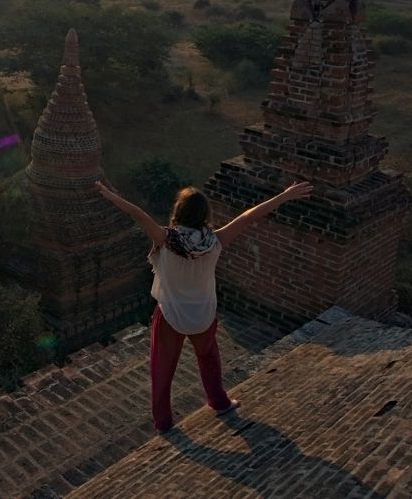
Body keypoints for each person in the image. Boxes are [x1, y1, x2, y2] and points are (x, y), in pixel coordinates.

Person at [95, 179, 313, 432]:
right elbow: (250, 215)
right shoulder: (216, 241)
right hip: (203, 316)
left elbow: (137, 213)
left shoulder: (166, 239)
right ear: (204, 215)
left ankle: (163, 421)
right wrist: (284, 196)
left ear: (178, 212)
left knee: (162, 369)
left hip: (170, 316)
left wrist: (110, 196)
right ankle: (219, 402)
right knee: (208, 357)